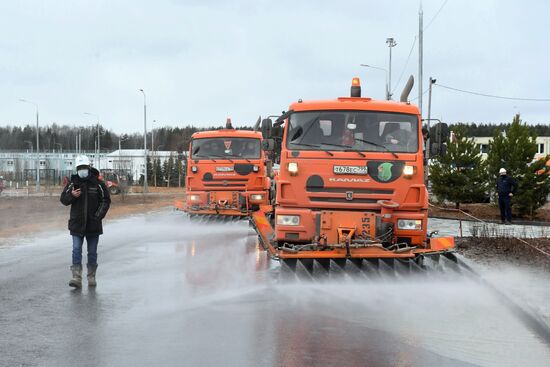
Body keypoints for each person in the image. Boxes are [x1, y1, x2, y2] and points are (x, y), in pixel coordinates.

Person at [60, 155, 111, 288]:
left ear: (89, 168)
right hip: (77, 225)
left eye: (84, 168)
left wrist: (97, 217)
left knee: (92, 252)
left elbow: (106, 201)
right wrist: (72, 195)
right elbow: (63, 200)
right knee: (76, 250)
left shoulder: (98, 183)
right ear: (76, 169)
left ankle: (91, 277)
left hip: (93, 225)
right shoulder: (72, 183)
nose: (82, 170)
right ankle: (76, 277)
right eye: (79, 168)